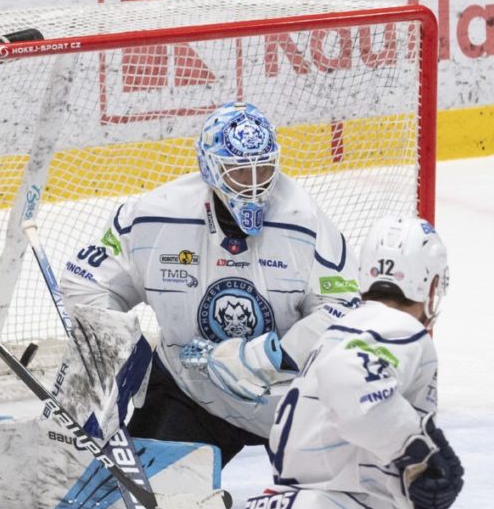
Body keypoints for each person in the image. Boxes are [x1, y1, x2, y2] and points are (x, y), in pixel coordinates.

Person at [60, 101, 361, 466]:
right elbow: (86, 282)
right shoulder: (157, 216)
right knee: (152, 507)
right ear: (210, 168)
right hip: (193, 394)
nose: (253, 186)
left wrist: (262, 359)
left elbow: (345, 313)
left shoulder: (305, 221)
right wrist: (118, 353)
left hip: (291, 399)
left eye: (263, 169)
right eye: (238, 172)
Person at [246, 215, 464, 509]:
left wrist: (431, 442)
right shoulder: (399, 328)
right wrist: (419, 457)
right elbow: (352, 383)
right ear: (431, 284)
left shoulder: (339, 332)